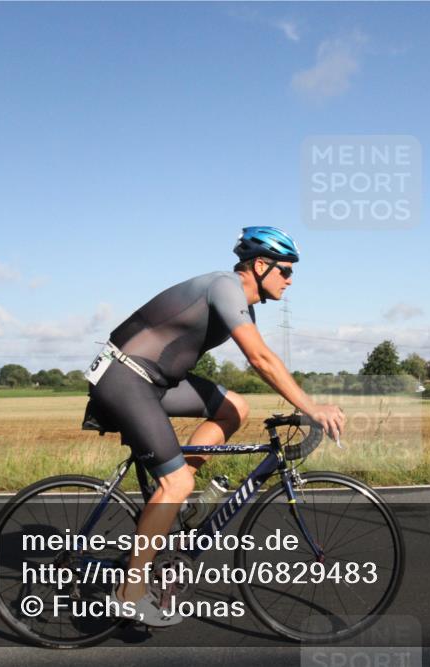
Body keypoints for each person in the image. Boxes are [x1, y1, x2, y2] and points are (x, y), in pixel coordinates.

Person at [83, 226, 345, 626]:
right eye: (286, 271)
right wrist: (311, 405)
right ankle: (129, 591)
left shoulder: (243, 304)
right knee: (176, 483)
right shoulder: (226, 286)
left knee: (234, 408)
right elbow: (260, 358)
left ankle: (177, 494)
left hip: (155, 381)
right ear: (260, 265)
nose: (290, 280)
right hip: (126, 377)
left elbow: (258, 364)